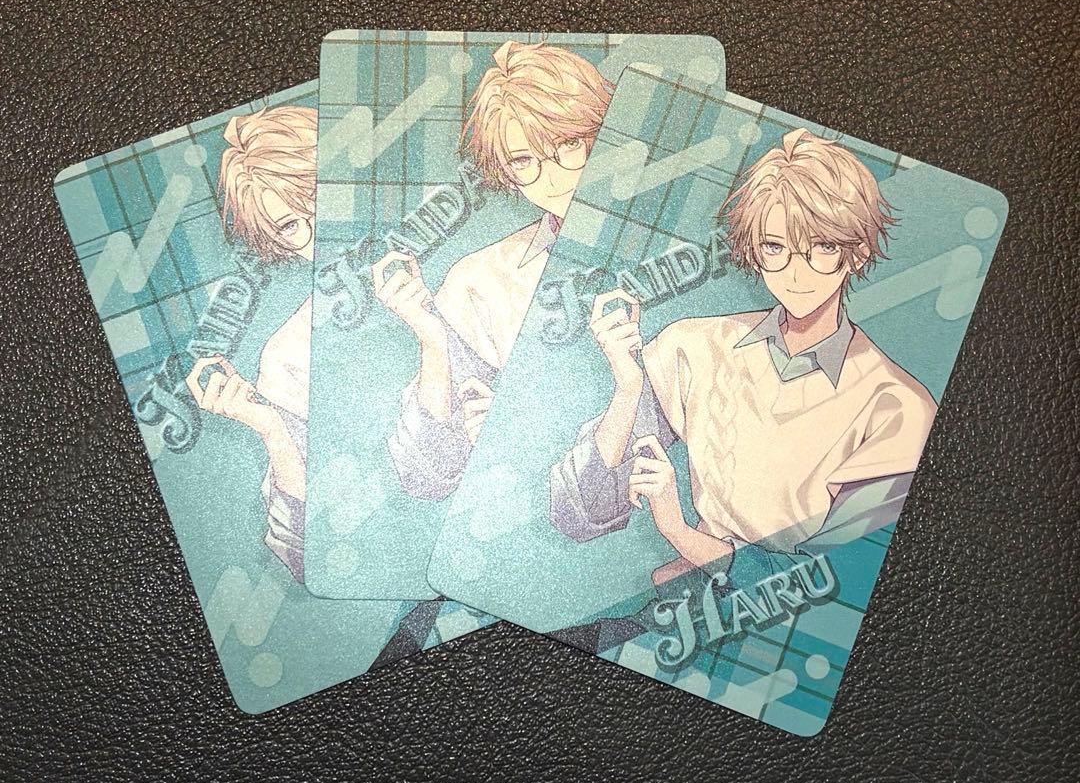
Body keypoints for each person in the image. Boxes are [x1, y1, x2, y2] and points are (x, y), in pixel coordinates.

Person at [550, 128, 938, 585]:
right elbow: (581, 511)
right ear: (754, 251)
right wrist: (628, 386)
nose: (796, 272)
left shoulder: (899, 409)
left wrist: (677, 530)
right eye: (775, 247)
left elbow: (830, 589)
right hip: (678, 601)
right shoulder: (693, 347)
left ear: (858, 253)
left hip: (764, 620)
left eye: (822, 247)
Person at [374, 40, 615, 499]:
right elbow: (426, 474)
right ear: (503, 170)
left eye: (567, 144)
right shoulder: (478, 280)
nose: (553, 176)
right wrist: (432, 339)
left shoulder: (673, 247)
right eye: (524, 160)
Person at [184, 104, 316, 583]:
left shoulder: (481, 274)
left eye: (321, 199)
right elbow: (305, 555)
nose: (320, 235)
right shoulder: (289, 356)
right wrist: (270, 427)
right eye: (291, 225)